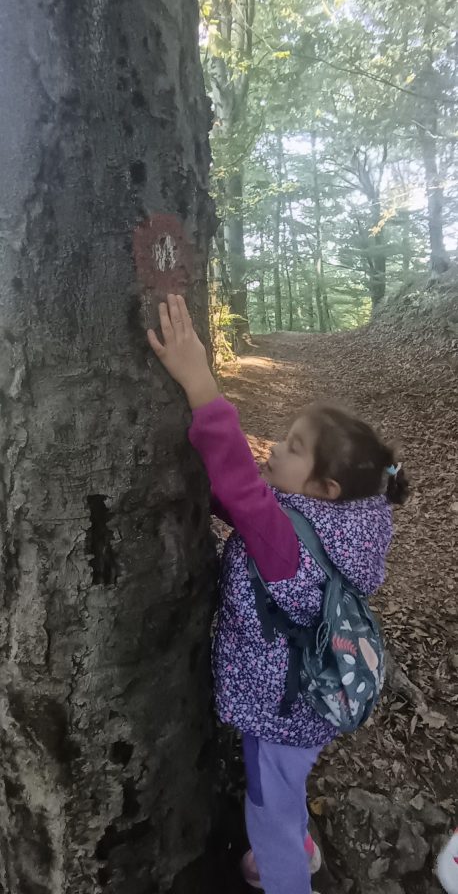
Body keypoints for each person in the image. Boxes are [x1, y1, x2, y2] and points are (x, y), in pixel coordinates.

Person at [147, 294, 409, 894]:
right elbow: (248, 508)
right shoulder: (344, 523)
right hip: (304, 702)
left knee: (267, 808)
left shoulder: (288, 544)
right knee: (286, 787)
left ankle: (286, 872)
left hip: (281, 711)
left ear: (326, 487)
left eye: (292, 447)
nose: (274, 449)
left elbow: (244, 492)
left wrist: (199, 383)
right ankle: (300, 845)